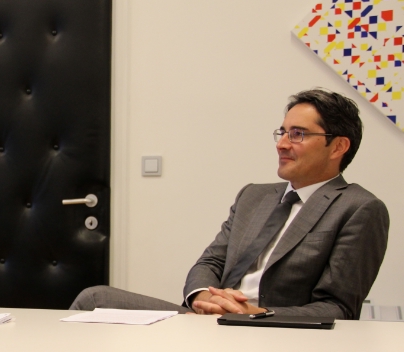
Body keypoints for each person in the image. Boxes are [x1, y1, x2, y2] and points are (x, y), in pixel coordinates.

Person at [71, 89, 389, 320]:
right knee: (94, 298)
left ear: (338, 147)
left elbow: (337, 308)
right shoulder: (253, 196)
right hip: (209, 320)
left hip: (272, 329)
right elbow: (210, 262)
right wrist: (203, 297)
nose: (281, 144)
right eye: (282, 132)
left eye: (298, 134)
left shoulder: (358, 208)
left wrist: (256, 313)